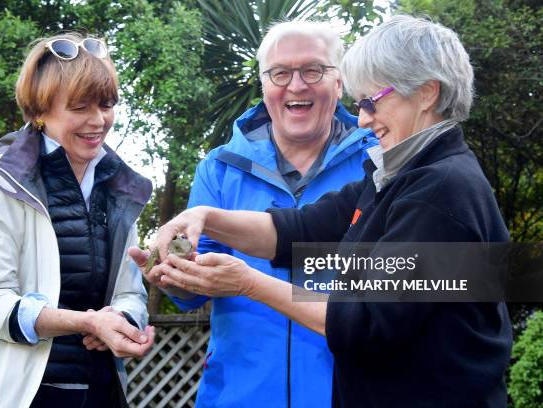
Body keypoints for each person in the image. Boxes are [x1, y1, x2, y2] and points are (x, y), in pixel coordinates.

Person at [136, 15, 512, 408]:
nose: (364, 117)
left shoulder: (439, 190)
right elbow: (299, 228)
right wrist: (204, 216)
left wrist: (247, 283)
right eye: (359, 103)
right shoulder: (395, 177)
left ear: (426, 93)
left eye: (371, 101)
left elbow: (365, 321)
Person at [131, 20, 376, 408]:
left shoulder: (379, 161)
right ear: (263, 85)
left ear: (339, 82)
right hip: (240, 395)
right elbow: (191, 296)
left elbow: (435, 280)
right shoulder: (219, 168)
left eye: (313, 70)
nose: (296, 85)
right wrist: (175, 277)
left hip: (352, 393)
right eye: (280, 73)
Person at [0, 33, 155, 408]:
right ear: (39, 111)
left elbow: (130, 292)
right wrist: (85, 322)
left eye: (106, 104)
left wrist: (124, 320)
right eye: (80, 107)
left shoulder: (118, 188)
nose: (98, 120)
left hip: (99, 393)